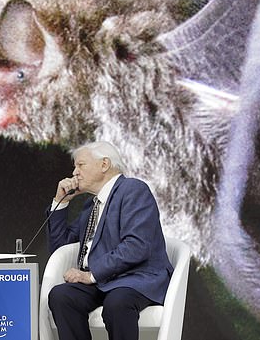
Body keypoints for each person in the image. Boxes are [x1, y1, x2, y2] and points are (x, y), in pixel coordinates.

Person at [46, 141, 173, 340]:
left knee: (117, 302)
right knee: (62, 296)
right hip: (103, 282)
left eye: (81, 165)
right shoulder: (90, 205)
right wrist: (60, 202)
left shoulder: (133, 189)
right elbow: (60, 248)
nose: (74, 172)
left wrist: (91, 275)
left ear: (104, 164)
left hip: (135, 278)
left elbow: (136, 246)